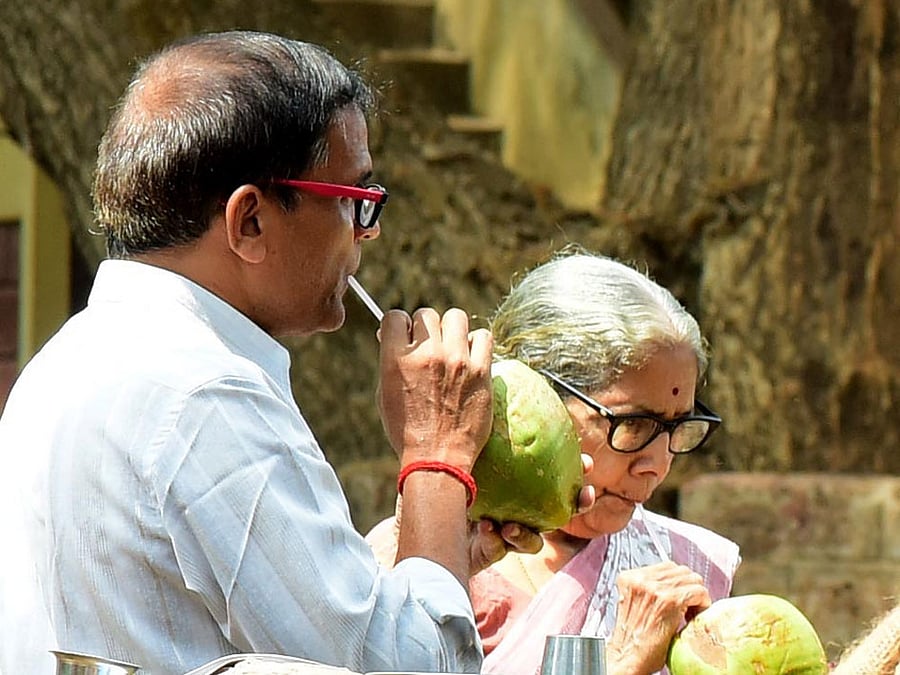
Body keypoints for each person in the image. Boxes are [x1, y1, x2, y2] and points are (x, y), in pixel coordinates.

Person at [0, 30, 546, 675]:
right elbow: (411, 667)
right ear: (250, 221)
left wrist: (435, 535)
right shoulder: (207, 393)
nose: (366, 237)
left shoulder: (75, 356)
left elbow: (268, 629)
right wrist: (437, 455)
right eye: (357, 202)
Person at [367, 248, 742, 675]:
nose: (656, 464)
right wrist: (622, 663)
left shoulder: (690, 567)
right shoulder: (416, 561)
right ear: (537, 400)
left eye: (680, 427)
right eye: (633, 425)